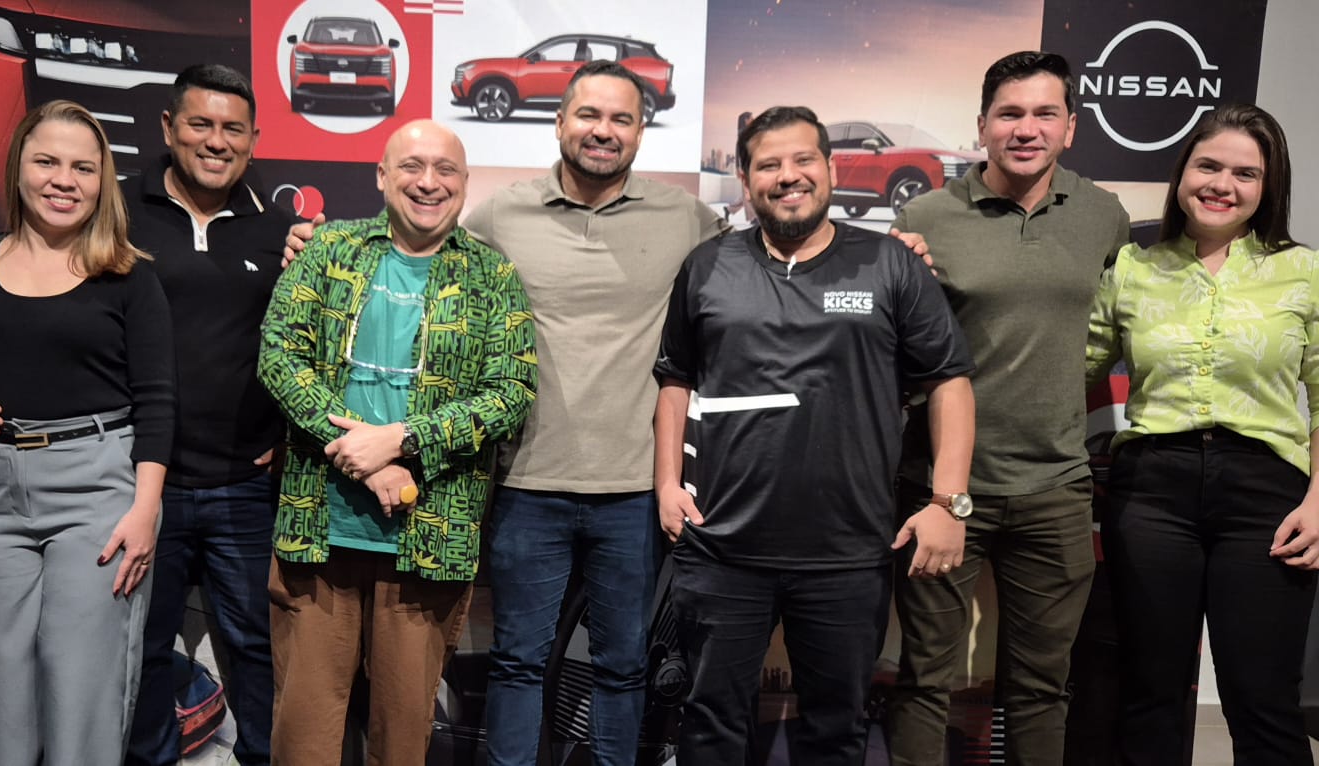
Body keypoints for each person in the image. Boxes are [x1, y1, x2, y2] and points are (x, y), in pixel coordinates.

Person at [282, 59, 728, 765]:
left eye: (621, 118)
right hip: (525, 482)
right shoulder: (499, 215)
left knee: (622, 665)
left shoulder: (688, 217)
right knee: (518, 661)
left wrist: (893, 247)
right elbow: (418, 244)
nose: (603, 131)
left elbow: (763, 260)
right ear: (559, 121)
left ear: (642, 131)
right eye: (588, 114)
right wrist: (311, 246)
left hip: (633, 487)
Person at [0, 65, 293, 766]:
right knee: (133, 660)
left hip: (232, 485)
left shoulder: (280, 233)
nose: (216, 140)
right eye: (200, 123)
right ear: (168, 127)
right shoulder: (113, 213)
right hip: (132, 480)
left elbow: (308, 344)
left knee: (257, 650)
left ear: (254, 139)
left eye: (233, 128)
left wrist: (293, 433)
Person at [654, 105, 976, 762]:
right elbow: (675, 379)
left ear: (830, 168)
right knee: (709, 725)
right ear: (746, 178)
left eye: (803, 160)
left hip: (847, 552)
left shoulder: (890, 263)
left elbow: (949, 380)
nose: (787, 175)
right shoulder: (707, 265)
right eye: (768, 164)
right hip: (722, 548)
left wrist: (948, 502)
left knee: (835, 731)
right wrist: (665, 484)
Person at [1086, 103, 1319, 765]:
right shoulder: (1132, 269)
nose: (1222, 184)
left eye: (1246, 173)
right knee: (1149, 694)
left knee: (1263, 701)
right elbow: (1072, 368)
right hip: (1150, 495)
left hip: (1266, 500)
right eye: (1208, 165)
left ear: (1269, 187)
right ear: (1181, 173)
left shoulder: (1309, 272)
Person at [258, 119, 536, 765]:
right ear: (382, 176)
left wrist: (404, 441)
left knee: (404, 739)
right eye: (411, 166)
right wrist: (366, 461)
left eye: (446, 169)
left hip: (429, 540)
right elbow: (278, 355)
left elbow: (511, 390)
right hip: (318, 532)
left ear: (464, 184)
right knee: (302, 737)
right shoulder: (330, 250)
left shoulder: (492, 275)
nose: (428, 182)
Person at [887, 51, 1130, 766]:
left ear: (1070, 127)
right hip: (941, 485)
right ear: (982, 126)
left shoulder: (1103, 215)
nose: (1026, 129)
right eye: (1009, 114)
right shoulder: (926, 216)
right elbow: (894, 349)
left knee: (1040, 689)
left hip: (1056, 487)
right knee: (925, 680)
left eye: (1044, 114)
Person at [0, 99, 174, 765]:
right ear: (18, 169)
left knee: (80, 686)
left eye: (82, 168)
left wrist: (145, 510)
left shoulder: (129, 274)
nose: (63, 180)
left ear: (102, 182)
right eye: (47, 162)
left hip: (97, 489)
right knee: (6, 688)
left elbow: (158, 400)